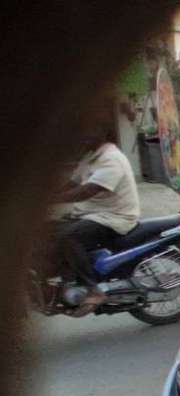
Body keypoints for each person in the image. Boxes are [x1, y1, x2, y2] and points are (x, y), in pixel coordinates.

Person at [53, 125, 139, 313]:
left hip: (115, 217)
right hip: (92, 213)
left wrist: (54, 199)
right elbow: (73, 183)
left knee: (69, 237)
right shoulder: (90, 157)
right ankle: (66, 277)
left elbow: (89, 190)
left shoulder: (111, 158)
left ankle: (93, 289)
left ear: (101, 133)